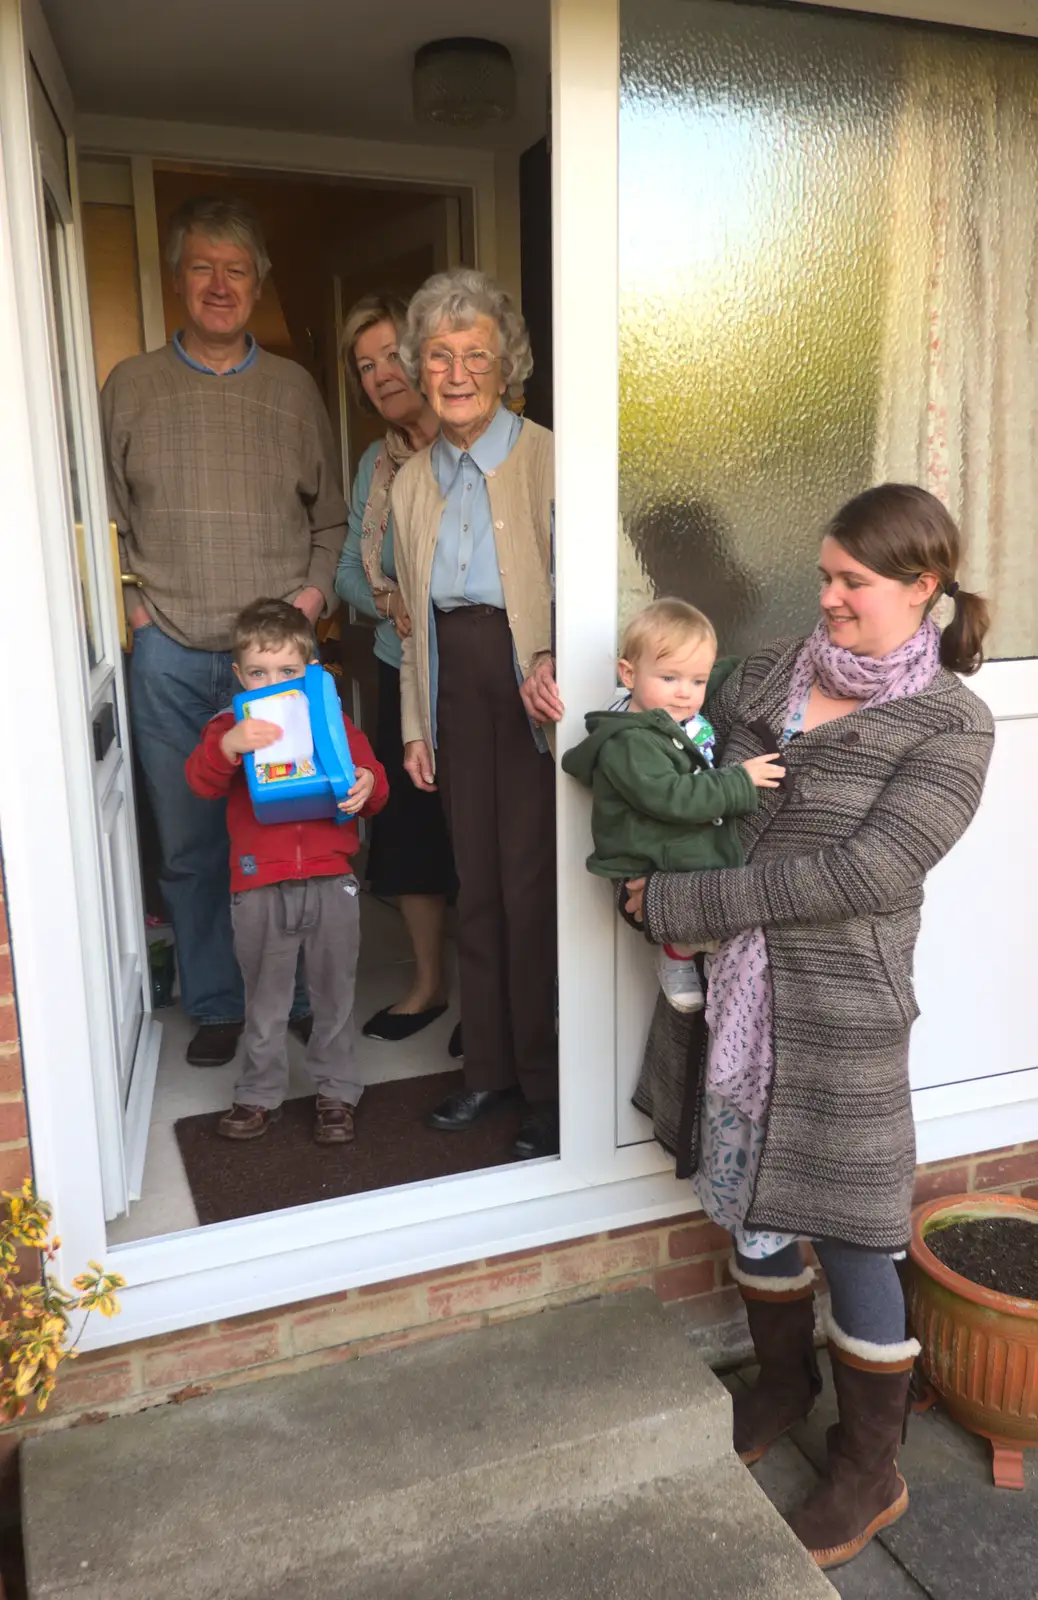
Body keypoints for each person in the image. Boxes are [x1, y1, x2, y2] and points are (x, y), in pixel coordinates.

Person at [624, 485, 993, 1572]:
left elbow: (865, 872)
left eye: (851, 583)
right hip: (731, 998)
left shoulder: (950, 724)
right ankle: (783, 1382)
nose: (825, 598)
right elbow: (670, 755)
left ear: (922, 589)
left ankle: (871, 1462)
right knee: (747, 1199)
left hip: (839, 1009)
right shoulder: (769, 671)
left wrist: (679, 905)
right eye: (823, 574)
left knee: (853, 1227)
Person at [101, 196, 348, 1068]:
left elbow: (332, 522)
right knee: (193, 841)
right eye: (202, 267)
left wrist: (310, 604)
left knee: (297, 831)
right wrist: (135, 615)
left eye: (236, 270)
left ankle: (307, 1000)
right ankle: (214, 1002)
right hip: (169, 651)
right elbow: (102, 518)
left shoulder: (291, 389)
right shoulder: (130, 386)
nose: (218, 285)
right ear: (177, 279)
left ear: (258, 285)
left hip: (278, 665)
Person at [391, 268, 561, 1161]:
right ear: (420, 368)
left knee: (531, 888)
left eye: (475, 356)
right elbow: (410, 619)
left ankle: (547, 1083)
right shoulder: (413, 480)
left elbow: (593, 587)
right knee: (476, 884)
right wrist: (416, 724)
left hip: (527, 682)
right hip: (455, 679)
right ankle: (487, 1070)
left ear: (507, 367)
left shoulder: (546, 454)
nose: (456, 373)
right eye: (439, 355)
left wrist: (552, 660)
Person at [185, 600, 388, 1144]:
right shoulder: (229, 727)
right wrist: (228, 746)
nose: (272, 683)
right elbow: (200, 782)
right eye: (258, 672)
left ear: (312, 669)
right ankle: (258, 1094)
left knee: (334, 995)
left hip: (330, 880)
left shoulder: (331, 720)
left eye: (287, 672)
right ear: (239, 676)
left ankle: (337, 1091)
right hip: (258, 882)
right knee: (266, 1000)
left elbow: (374, 782)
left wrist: (367, 781)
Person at [334, 293, 459, 1046]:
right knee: (411, 833)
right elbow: (352, 568)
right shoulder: (373, 464)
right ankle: (427, 984)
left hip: (479, 674)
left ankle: (499, 990)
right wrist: (393, 607)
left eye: (390, 355)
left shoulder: (480, 446)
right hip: (399, 666)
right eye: (364, 365)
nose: (381, 374)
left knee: (481, 836)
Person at [561, 598, 784, 1012]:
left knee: (720, 862)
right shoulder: (630, 742)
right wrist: (739, 781)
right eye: (669, 677)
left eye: (695, 681)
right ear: (628, 674)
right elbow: (672, 798)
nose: (686, 693)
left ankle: (708, 941)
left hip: (665, 837)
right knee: (704, 868)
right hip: (648, 851)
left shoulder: (669, 712)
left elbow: (713, 673)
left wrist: (743, 666)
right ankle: (678, 953)